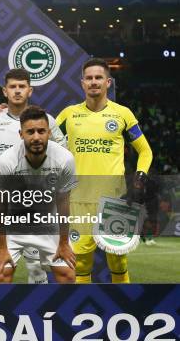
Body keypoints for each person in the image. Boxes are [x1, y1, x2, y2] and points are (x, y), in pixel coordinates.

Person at [56, 58, 152, 284]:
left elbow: (146, 151)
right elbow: (40, 133)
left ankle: (122, 313)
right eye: (89, 78)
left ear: (108, 82)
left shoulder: (123, 114)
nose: (93, 82)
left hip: (115, 200)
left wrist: (140, 177)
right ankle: (82, 316)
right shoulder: (68, 115)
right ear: (82, 83)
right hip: (78, 200)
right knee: (79, 263)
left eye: (98, 77)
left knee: (118, 261)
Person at [0, 68, 65, 284]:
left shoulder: (46, 120)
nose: (17, 91)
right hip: (4, 204)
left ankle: (40, 314)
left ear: (30, 90)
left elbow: (63, 153)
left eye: (21, 86)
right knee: (0, 266)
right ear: (5, 91)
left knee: (37, 269)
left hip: (38, 205)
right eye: (13, 87)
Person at [0, 106, 77, 284]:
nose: (36, 137)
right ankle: (0, 312)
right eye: (30, 132)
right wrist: (1, 248)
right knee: (0, 275)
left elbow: (63, 202)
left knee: (67, 274)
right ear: (21, 134)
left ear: (49, 133)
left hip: (48, 223)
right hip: (13, 225)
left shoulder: (64, 158)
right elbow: (0, 208)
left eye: (41, 131)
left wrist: (63, 243)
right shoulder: (7, 161)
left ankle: (62, 312)